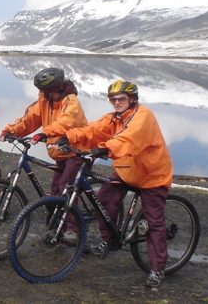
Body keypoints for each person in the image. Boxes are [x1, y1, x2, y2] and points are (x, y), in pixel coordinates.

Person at [56, 79, 172, 289]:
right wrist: (68, 136)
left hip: (151, 175)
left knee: (154, 222)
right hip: (127, 170)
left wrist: (103, 148)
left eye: (120, 99)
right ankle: (108, 241)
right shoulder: (115, 118)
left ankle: (157, 269)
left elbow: (128, 139)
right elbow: (93, 129)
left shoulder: (143, 116)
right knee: (105, 198)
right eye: (113, 100)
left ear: (132, 99)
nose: (116, 103)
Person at [0, 67, 87, 239]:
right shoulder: (45, 100)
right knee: (55, 189)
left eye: (45, 91)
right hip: (59, 151)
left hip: (76, 151)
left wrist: (46, 133)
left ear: (56, 89)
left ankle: (72, 229)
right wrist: (11, 130)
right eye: (41, 91)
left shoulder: (71, 101)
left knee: (65, 188)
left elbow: (66, 121)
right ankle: (57, 220)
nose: (41, 94)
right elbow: (30, 119)